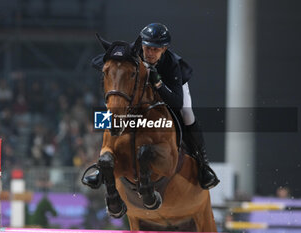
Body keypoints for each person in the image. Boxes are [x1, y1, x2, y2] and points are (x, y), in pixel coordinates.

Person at [83, 23, 219, 190]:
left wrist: (158, 83)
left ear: (164, 49)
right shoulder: (135, 54)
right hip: (139, 96)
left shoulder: (171, 64)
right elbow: (103, 63)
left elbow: (176, 102)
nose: (150, 53)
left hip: (170, 88)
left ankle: (203, 164)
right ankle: (101, 166)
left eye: (156, 50)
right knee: (113, 109)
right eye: (147, 48)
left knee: (187, 113)